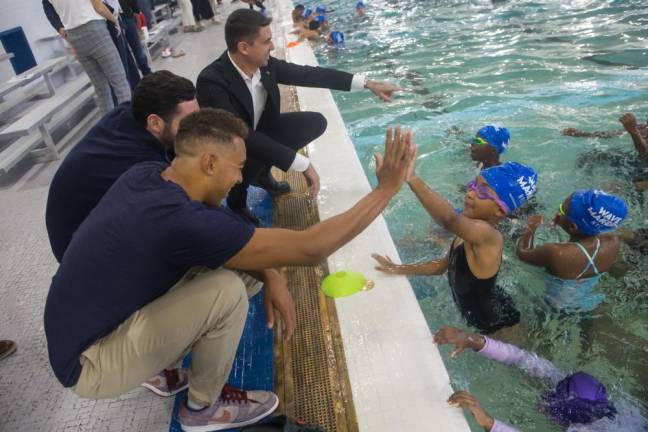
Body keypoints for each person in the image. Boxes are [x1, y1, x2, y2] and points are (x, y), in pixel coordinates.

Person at [44, 110, 415, 431]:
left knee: (250, 268)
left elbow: (234, 234)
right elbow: (310, 248)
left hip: (85, 327)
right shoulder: (181, 221)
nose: (240, 179)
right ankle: (202, 408)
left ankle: (165, 371)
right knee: (227, 289)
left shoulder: (149, 174)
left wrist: (272, 275)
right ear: (209, 163)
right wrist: (385, 190)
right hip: (89, 363)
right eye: (238, 167)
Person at [197, 9, 401, 224]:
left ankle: (262, 175)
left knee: (314, 123)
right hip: (229, 148)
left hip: (256, 134)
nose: (273, 47)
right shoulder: (212, 82)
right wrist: (301, 163)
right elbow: (239, 135)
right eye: (267, 42)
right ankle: (236, 202)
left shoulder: (264, 67)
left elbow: (311, 75)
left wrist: (367, 83)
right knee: (246, 151)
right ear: (244, 48)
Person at [45, 71, 198, 263]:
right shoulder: (141, 163)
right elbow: (183, 210)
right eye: (188, 124)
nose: (196, 130)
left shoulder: (131, 112)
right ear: (155, 122)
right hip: (82, 256)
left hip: (85, 225)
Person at [372, 162, 538, 335]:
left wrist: (412, 178)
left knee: (524, 360)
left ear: (499, 210)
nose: (471, 193)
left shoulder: (489, 237)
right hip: (487, 302)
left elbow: (449, 220)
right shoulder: (466, 232)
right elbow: (441, 267)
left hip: (498, 324)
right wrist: (399, 268)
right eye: (474, 185)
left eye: (483, 192)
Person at [434, 326, 645, 432]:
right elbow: (522, 359)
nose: (542, 404)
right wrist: (473, 340)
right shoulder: (593, 401)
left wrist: (490, 423)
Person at [517, 189, 627, 313]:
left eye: (561, 209)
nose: (558, 212)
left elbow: (523, 254)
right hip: (589, 302)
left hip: (554, 305)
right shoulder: (613, 242)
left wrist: (531, 226)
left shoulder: (556, 252)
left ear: (573, 227)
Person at [42, 0, 131, 115]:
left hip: (73, 35)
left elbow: (50, 11)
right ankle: (130, 125)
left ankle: (109, 127)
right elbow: (98, 7)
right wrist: (114, 20)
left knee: (101, 89)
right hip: (95, 30)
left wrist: (62, 30)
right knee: (120, 82)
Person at [119, 0, 152, 76]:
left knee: (137, 46)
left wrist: (137, 13)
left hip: (127, 16)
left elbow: (133, 3)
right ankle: (134, 78)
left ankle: (146, 71)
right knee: (125, 52)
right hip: (115, 19)